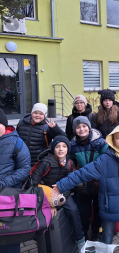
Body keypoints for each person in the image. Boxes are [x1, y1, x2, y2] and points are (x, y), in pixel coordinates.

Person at [51, 126, 119, 253]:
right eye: (117, 137)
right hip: (109, 207)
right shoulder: (104, 160)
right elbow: (81, 173)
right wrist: (61, 185)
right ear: (112, 140)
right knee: (106, 239)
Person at [30, 135, 85, 251]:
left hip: (61, 192)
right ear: (53, 149)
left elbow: (69, 183)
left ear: (68, 149)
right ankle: (38, 238)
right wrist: (49, 204)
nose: (61, 149)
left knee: (73, 210)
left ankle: (80, 240)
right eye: (58, 146)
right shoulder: (46, 162)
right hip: (44, 195)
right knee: (43, 215)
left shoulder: (69, 163)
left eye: (64, 146)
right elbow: (33, 183)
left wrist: (58, 202)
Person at [70, 116, 107, 241]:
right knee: (83, 212)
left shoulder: (100, 142)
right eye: (78, 127)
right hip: (82, 184)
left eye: (84, 126)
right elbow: (70, 162)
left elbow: (106, 160)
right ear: (74, 130)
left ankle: (96, 232)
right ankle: (84, 234)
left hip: (98, 183)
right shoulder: (72, 145)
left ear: (89, 128)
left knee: (98, 209)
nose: (81, 129)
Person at [0, 108, 31, 253]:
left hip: (8, 198)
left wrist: (4, 183)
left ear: (4, 125)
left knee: (8, 237)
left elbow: (25, 169)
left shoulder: (17, 143)